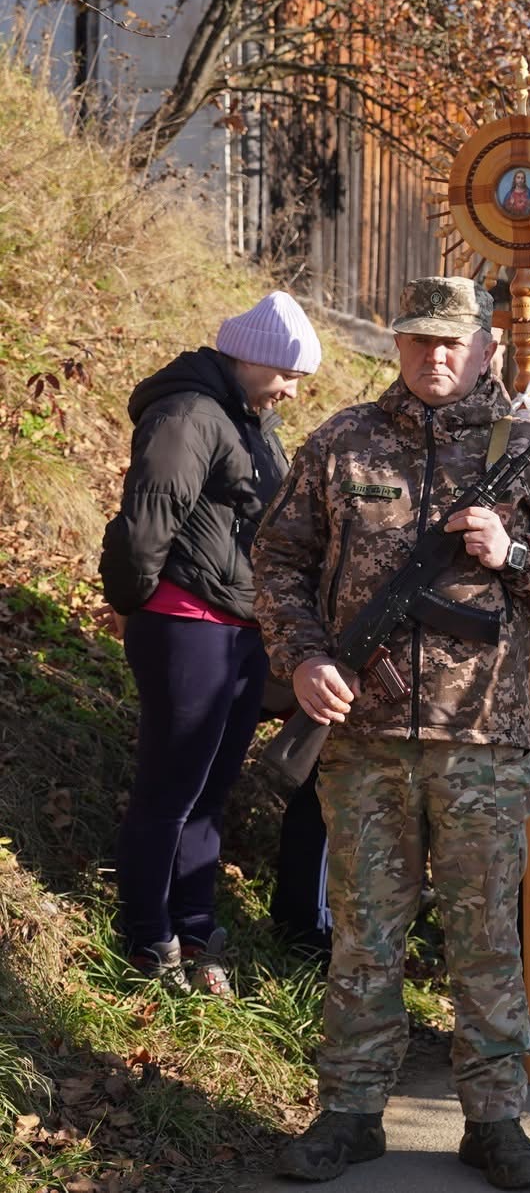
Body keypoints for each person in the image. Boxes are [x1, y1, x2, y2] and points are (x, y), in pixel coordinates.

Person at [256, 276, 530, 1188]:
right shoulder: (341, 441)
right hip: (362, 740)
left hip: (482, 741)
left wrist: (515, 553)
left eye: (453, 341)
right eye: (420, 339)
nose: (435, 355)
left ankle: (494, 1120)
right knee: (364, 934)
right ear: (398, 343)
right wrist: (303, 658)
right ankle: (350, 1110)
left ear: (486, 348)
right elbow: (279, 558)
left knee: (485, 935)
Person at [99, 290, 320, 994]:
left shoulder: (249, 421)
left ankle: (196, 932)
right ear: (249, 356)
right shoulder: (187, 414)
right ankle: (148, 938)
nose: (291, 390)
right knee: (170, 787)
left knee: (210, 790)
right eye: (286, 374)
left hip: (238, 629)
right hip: (185, 622)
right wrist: (130, 603)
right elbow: (146, 521)